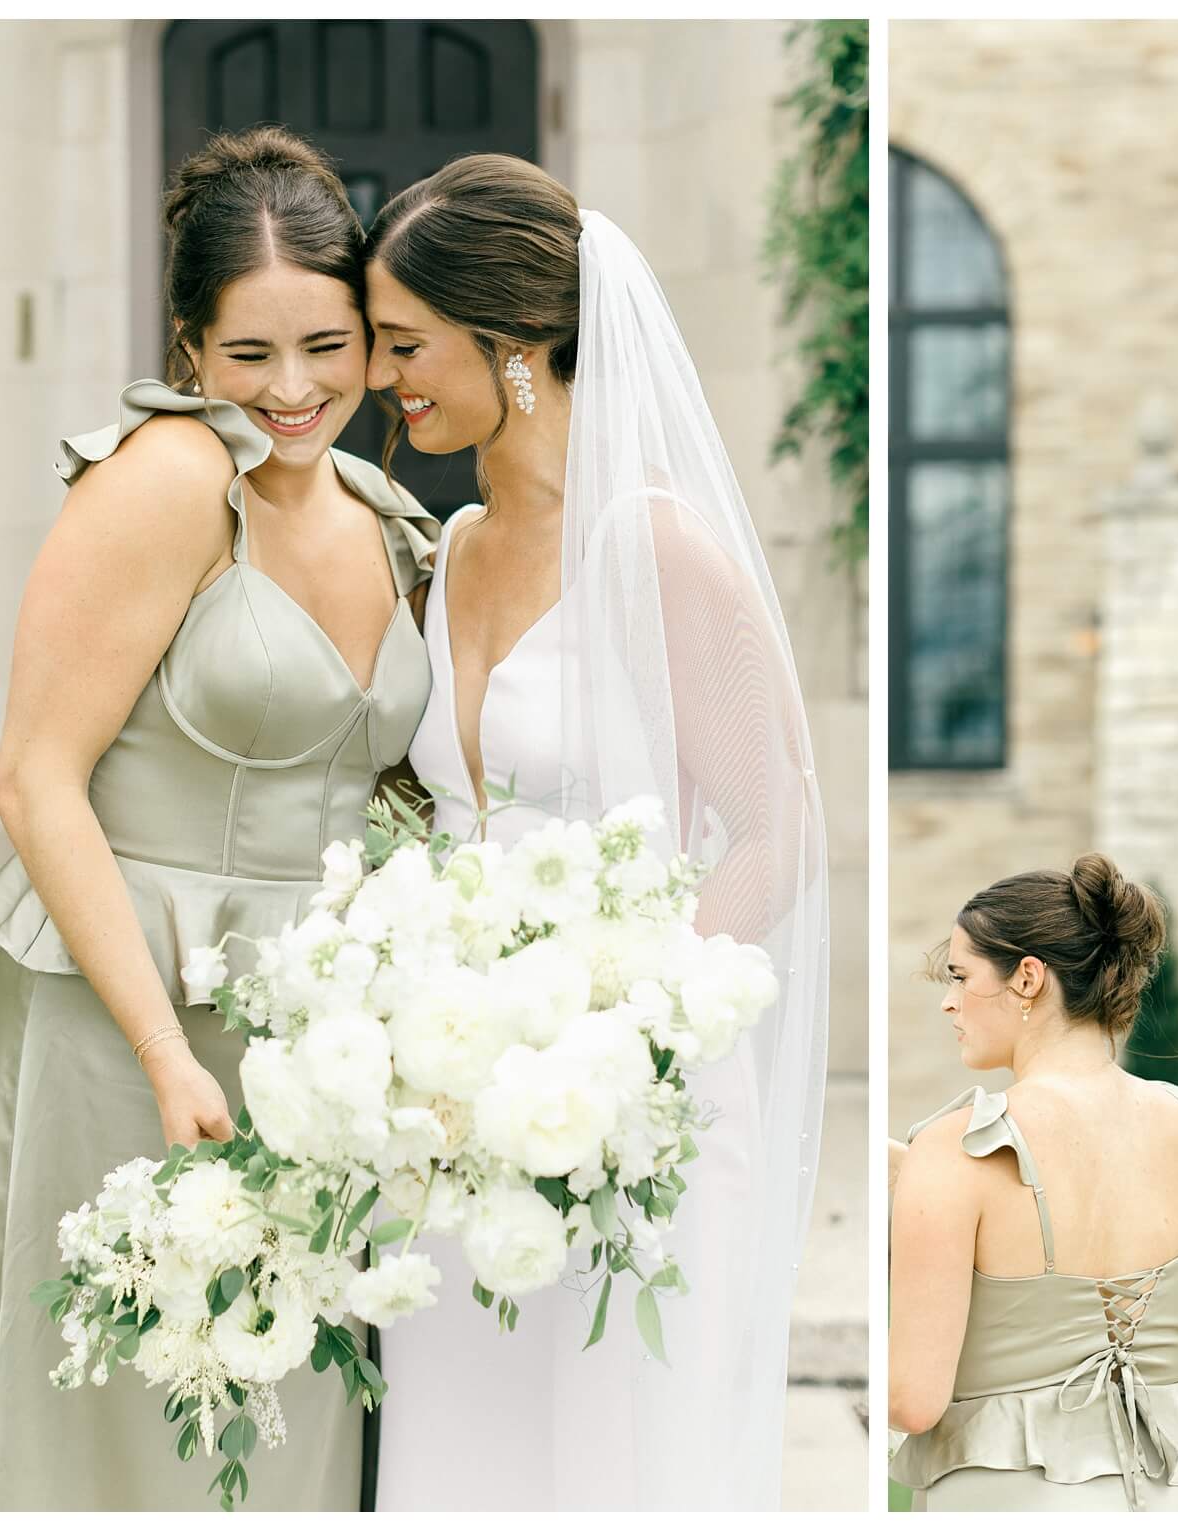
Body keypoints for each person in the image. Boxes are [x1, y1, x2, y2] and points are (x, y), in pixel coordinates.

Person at [0, 127, 437, 1511]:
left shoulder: (387, 514)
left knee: (280, 1424)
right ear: (190, 349)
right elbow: (35, 777)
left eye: (327, 345)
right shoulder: (164, 480)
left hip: (311, 1044)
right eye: (249, 354)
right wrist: (163, 1052)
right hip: (128, 1020)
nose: (294, 390)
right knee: (119, 1423)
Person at [360, 154, 829, 1510]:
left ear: (510, 346)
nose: (390, 379)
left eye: (408, 344)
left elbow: (777, 826)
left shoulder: (658, 548)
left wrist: (624, 1025)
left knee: (619, 1460)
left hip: (631, 1105)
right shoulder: (451, 546)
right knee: (464, 1452)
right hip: (459, 1108)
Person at [890, 855, 1178, 1510]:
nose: (948, 999)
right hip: (1169, 1496)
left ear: (1028, 977)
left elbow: (913, 1400)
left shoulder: (956, 1151)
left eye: (961, 975)